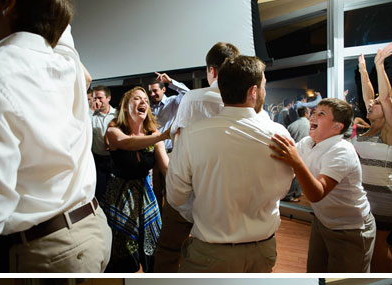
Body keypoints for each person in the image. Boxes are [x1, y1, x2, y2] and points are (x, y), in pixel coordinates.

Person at [0, 1, 112, 273]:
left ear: (8, 5)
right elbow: (56, 22)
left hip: (52, 248)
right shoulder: (68, 60)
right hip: (94, 225)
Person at [167, 55, 294, 272]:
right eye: (264, 85)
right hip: (261, 251)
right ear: (253, 92)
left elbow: (176, 197)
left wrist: (202, 213)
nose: (265, 91)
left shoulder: (192, 135)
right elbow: (283, 190)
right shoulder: (279, 135)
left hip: (209, 251)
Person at [153, 41, 240, 272]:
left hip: (187, 189)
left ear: (211, 70)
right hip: (224, 193)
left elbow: (179, 143)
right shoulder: (243, 103)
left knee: (169, 250)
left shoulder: (194, 98)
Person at [268, 98, 374, 272]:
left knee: (347, 281)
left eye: (321, 114)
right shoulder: (307, 143)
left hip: (350, 229)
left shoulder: (341, 150)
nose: (313, 116)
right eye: (314, 112)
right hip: (322, 221)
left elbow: (317, 194)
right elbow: (284, 164)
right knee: (315, 272)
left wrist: (296, 161)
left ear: (337, 127)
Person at [103, 87, 168, 272]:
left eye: (146, 101)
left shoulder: (153, 133)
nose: (143, 103)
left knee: (154, 249)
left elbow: (166, 168)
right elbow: (127, 143)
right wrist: (162, 135)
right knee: (124, 254)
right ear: (125, 107)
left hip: (145, 197)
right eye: (137, 99)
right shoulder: (114, 131)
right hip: (120, 198)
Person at [354, 44, 392, 271]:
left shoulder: (390, 132)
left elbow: (385, 99)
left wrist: (379, 66)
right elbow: (370, 95)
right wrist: (362, 70)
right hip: (364, 202)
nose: (371, 103)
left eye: (376, 104)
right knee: (368, 253)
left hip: (383, 203)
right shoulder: (368, 129)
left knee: (378, 254)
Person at [91, 85, 116, 202]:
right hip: (98, 160)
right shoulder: (91, 116)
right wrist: (90, 111)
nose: (97, 101)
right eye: (95, 98)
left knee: (115, 192)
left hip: (115, 160)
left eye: (100, 98)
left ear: (108, 98)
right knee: (99, 192)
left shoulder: (117, 115)